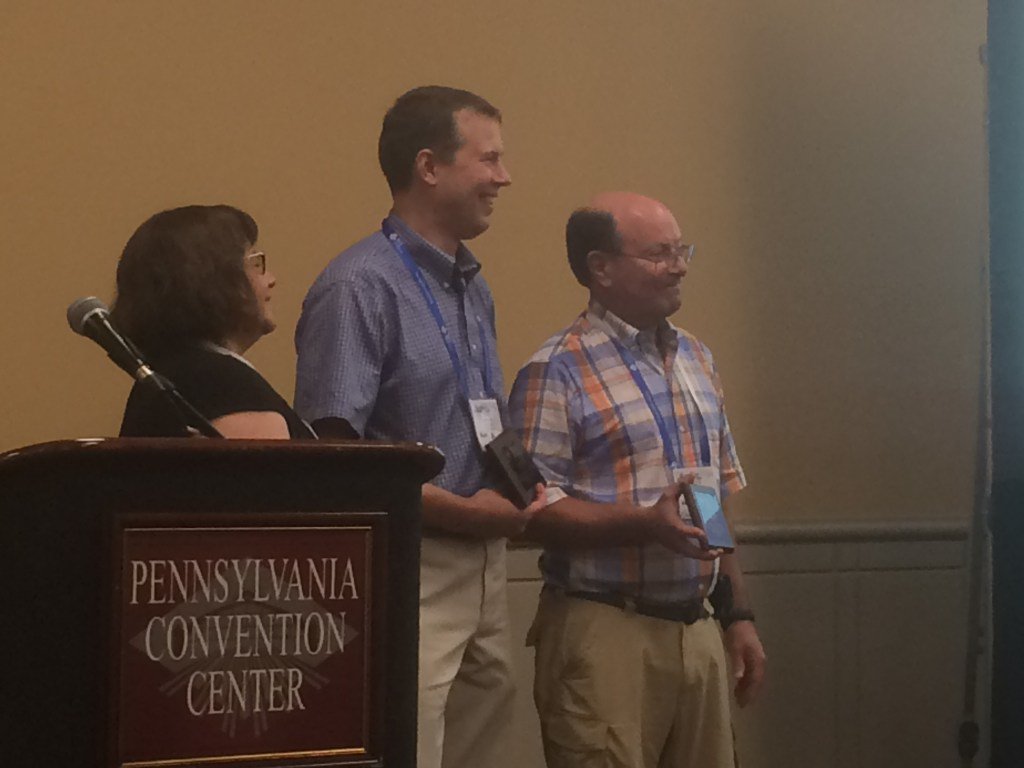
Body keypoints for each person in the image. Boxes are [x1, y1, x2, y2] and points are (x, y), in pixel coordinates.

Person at [294, 86, 544, 768]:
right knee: (411, 746)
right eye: (488, 159)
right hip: (413, 563)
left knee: (481, 748)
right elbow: (337, 465)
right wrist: (466, 513)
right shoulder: (358, 286)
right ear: (429, 166)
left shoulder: (471, 286)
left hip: (486, 560)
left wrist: (518, 493)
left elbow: (481, 423)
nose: (504, 177)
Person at [508, 191, 766, 768]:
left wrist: (738, 615)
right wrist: (644, 523)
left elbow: (707, 497)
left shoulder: (696, 359)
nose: (678, 267)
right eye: (658, 254)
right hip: (605, 629)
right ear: (600, 268)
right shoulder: (555, 370)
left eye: (681, 250)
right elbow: (531, 512)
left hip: (697, 628)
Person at [114, 204, 314, 439]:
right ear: (215, 279)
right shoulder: (220, 383)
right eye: (255, 264)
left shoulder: (175, 376)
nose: (271, 279)